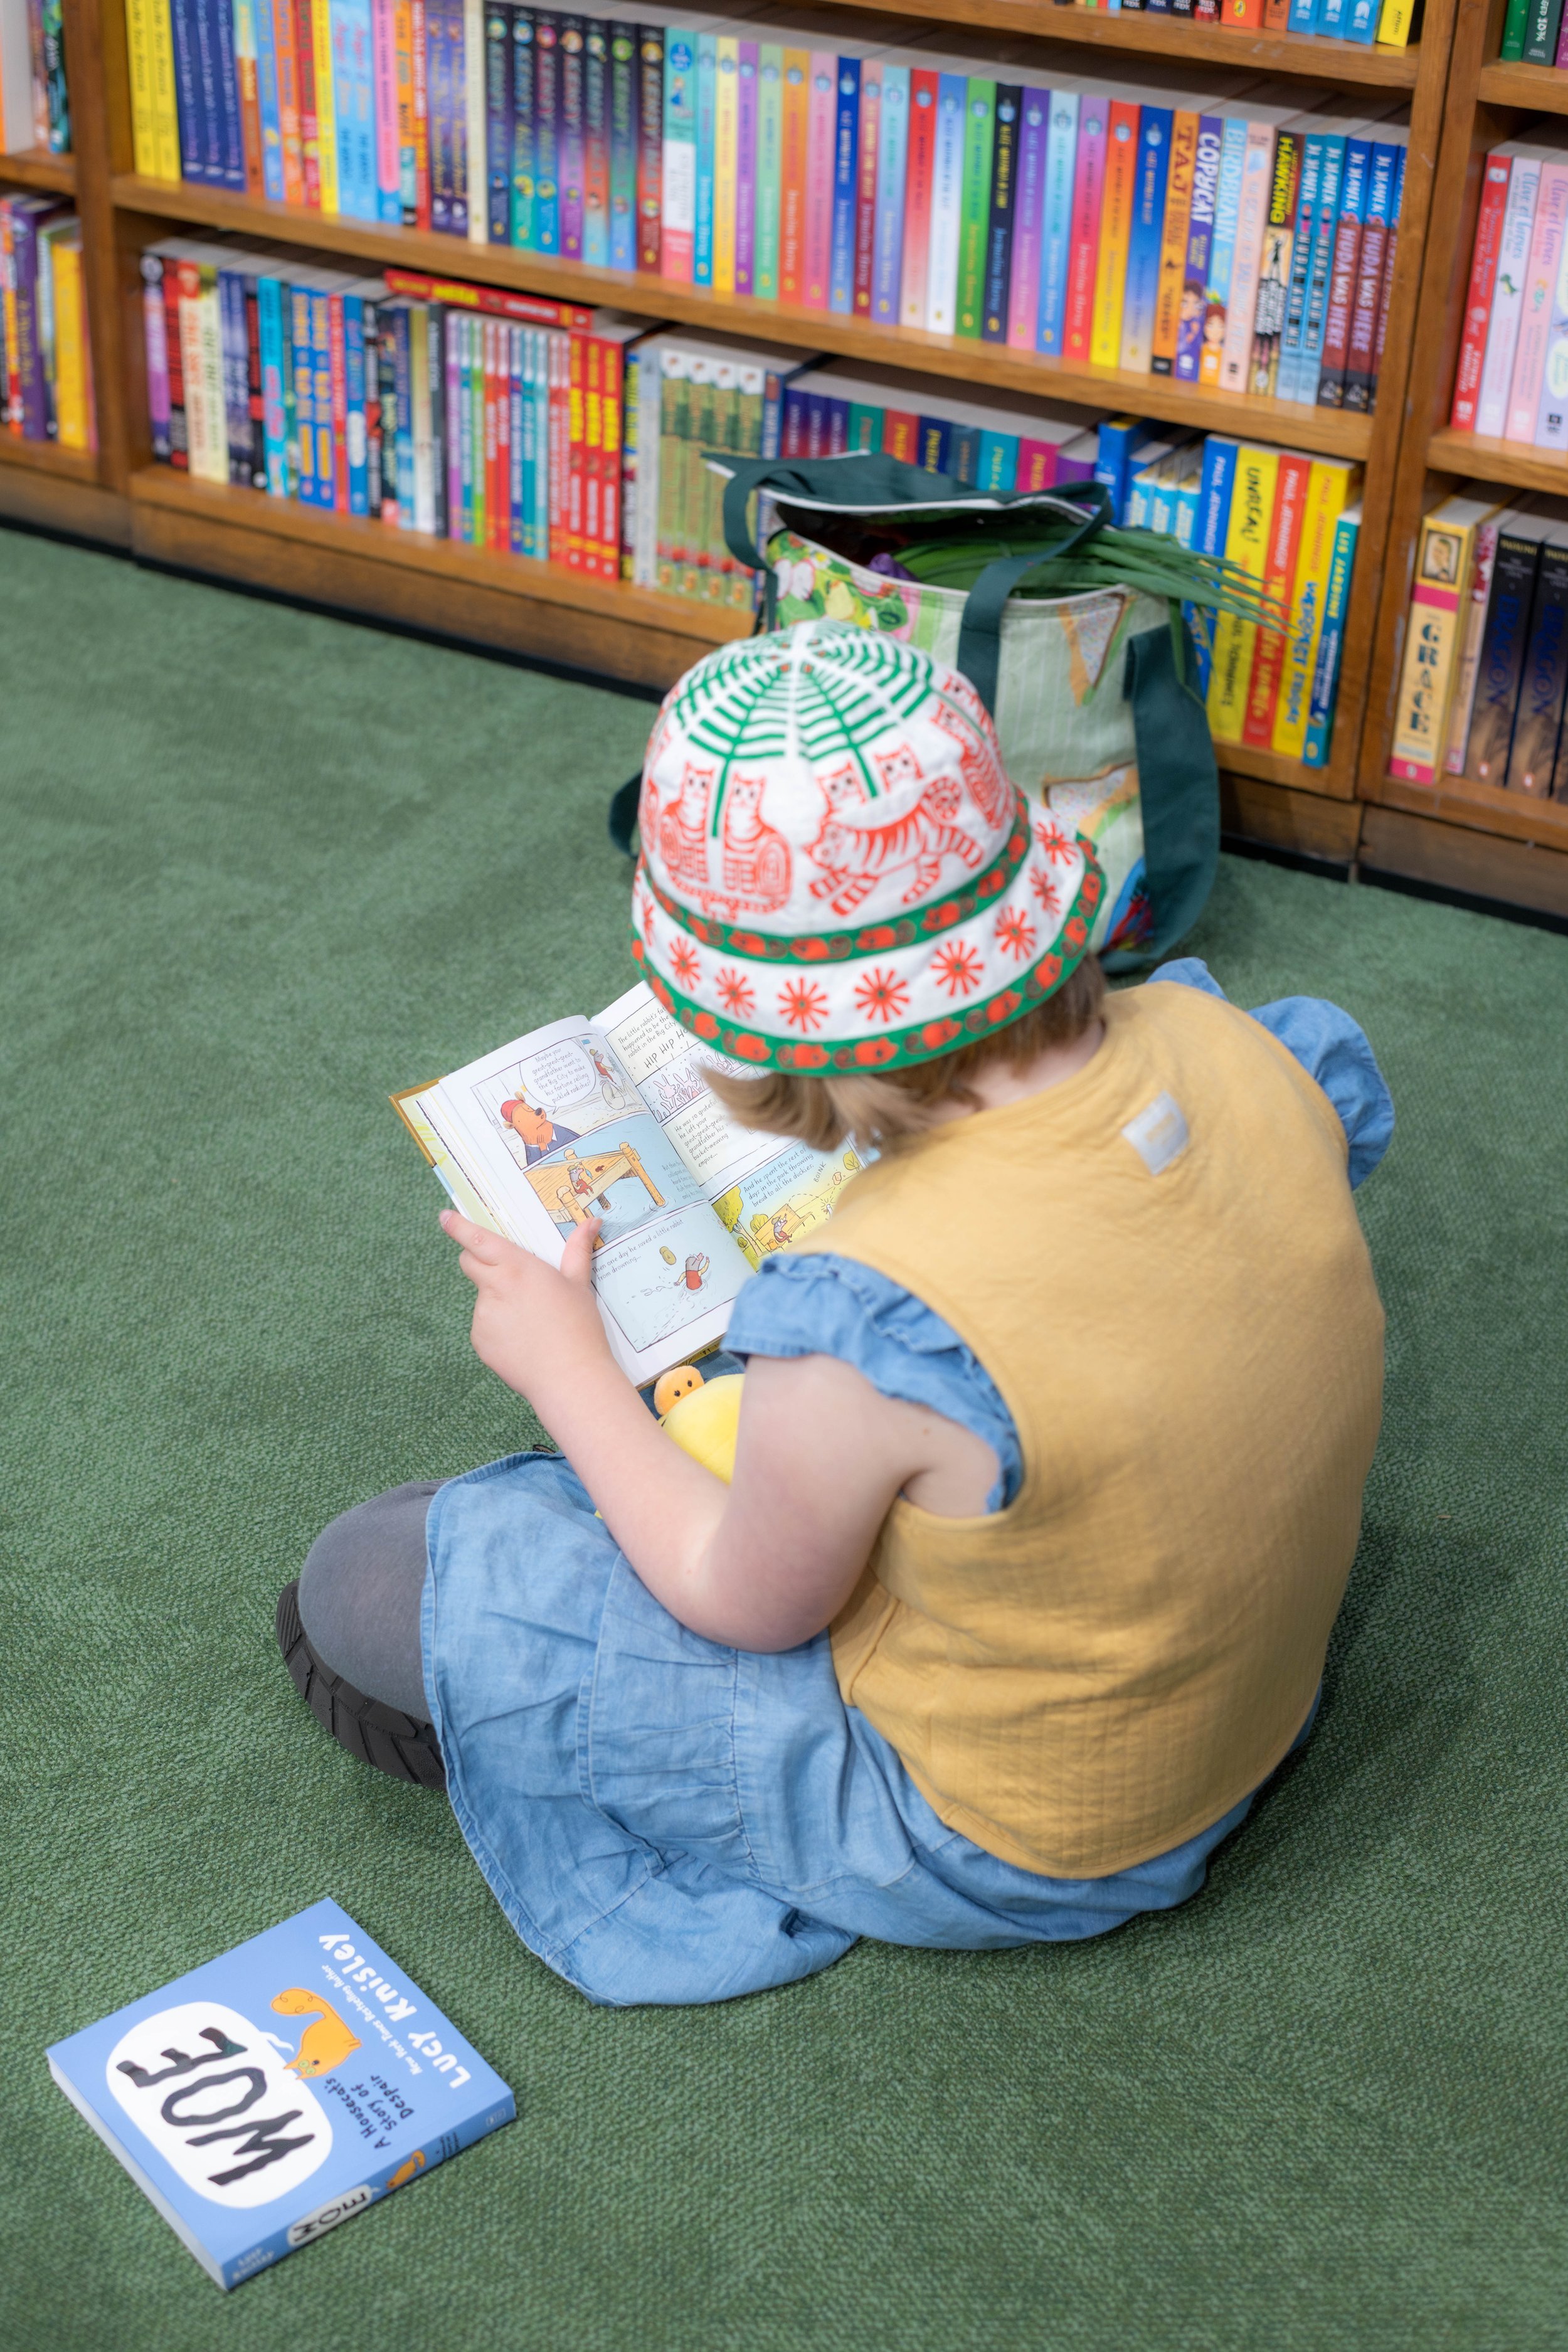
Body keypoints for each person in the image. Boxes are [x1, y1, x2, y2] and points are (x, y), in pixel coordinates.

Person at [277, 622, 1392, 2008]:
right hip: (1221, 1713)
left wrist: (565, 1371)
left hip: (1009, 1837)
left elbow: (748, 1607)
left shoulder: (870, 1319)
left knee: (363, 1581)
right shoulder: (1240, 1049)